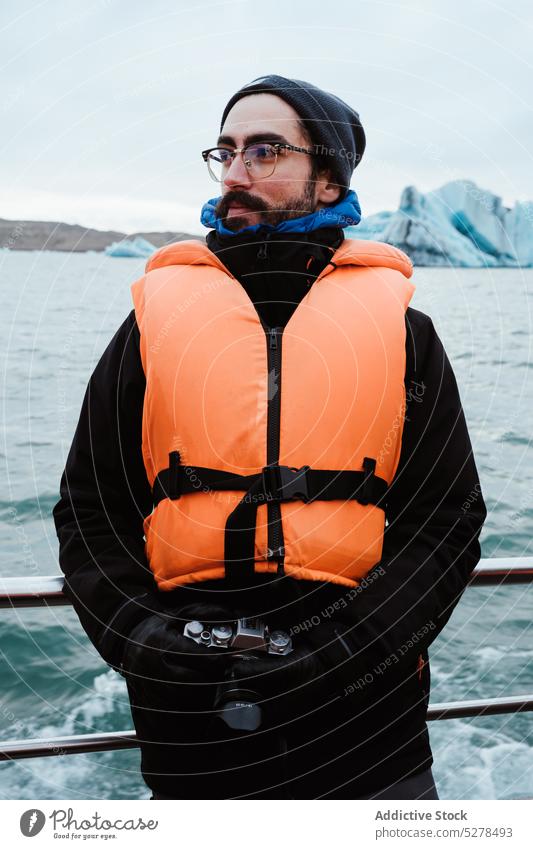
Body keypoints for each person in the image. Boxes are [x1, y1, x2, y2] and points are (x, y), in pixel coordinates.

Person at [53, 75, 487, 800]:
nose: (234, 172)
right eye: (224, 151)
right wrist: (144, 637)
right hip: (191, 725)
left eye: (264, 150)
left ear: (327, 178)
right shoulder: (152, 329)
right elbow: (89, 506)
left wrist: (346, 644)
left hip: (365, 724)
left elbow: (445, 518)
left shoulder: (405, 336)